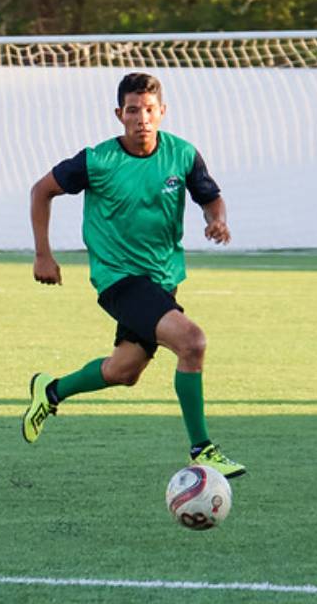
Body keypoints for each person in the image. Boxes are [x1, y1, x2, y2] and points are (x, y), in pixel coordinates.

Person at [22, 72, 246, 479]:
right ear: (118, 114)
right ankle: (203, 449)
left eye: (148, 109)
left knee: (123, 371)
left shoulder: (183, 154)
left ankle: (50, 391)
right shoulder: (97, 160)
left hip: (162, 277)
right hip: (118, 279)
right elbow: (41, 190)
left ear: (161, 112)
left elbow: (211, 198)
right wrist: (43, 255)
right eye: (132, 110)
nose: (141, 117)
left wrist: (218, 221)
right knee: (192, 343)